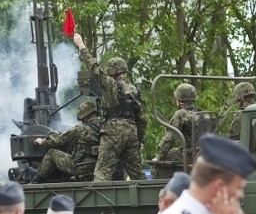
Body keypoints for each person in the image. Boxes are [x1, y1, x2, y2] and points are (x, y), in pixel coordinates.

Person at [73, 33, 146, 181]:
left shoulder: (109, 84)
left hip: (112, 132)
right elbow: (142, 118)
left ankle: (100, 203)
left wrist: (81, 45)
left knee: (102, 174)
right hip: (131, 132)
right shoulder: (134, 90)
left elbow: (94, 67)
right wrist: (139, 139)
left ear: (111, 71)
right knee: (138, 175)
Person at [31, 101, 103, 184]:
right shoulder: (103, 127)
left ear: (84, 114)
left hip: (80, 167)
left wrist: (42, 141)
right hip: (98, 167)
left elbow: (58, 140)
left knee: (51, 153)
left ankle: (35, 180)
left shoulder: (80, 129)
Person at [153, 84, 202, 167]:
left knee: (162, 158)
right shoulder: (201, 112)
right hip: (203, 153)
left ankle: (156, 179)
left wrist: (158, 157)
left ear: (179, 100)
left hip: (190, 155)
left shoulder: (180, 114)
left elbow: (169, 139)